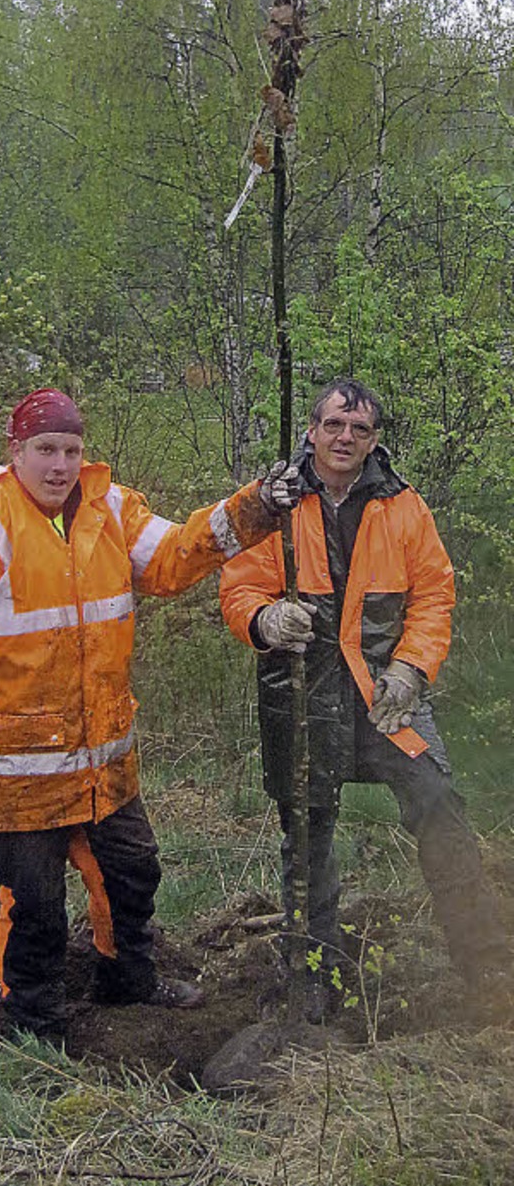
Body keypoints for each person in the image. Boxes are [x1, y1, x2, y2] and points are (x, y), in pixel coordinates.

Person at [0, 386, 301, 1045]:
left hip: (102, 759)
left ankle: (127, 978)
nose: (60, 464)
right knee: (36, 904)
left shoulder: (111, 509)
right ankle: (31, 1025)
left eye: (71, 449)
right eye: (45, 448)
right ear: (16, 451)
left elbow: (174, 555)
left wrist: (254, 508)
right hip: (11, 770)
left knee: (133, 871)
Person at [220, 377, 511, 1023]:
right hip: (303, 695)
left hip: (386, 698)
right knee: (308, 830)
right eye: (333, 426)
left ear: (373, 438)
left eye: (359, 429)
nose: (345, 438)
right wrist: (265, 621)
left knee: (439, 800)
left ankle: (487, 963)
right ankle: (313, 976)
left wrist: (411, 667)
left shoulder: (404, 505)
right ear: (311, 432)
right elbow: (237, 587)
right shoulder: (274, 503)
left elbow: (435, 594)